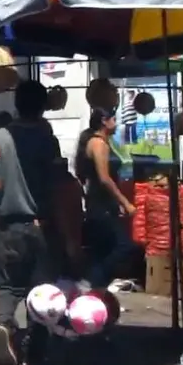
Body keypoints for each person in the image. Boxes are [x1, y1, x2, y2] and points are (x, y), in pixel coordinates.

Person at [0, 80, 76, 365]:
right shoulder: (48, 137)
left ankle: (4, 325)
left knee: (9, 285)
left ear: (16, 104)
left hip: (10, 227)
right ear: (42, 106)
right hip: (43, 226)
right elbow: (58, 181)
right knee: (41, 289)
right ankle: (36, 352)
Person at [75, 107, 136, 290]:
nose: (116, 124)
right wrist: (125, 202)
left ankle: (95, 287)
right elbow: (104, 178)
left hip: (102, 203)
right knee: (124, 245)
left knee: (102, 249)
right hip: (101, 204)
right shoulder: (98, 144)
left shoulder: (101, 142)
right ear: (104, 121)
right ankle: (91, 282)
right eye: (113, 119)